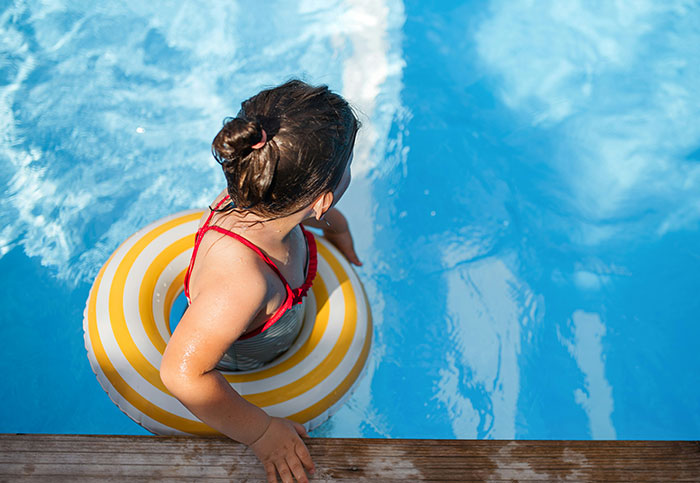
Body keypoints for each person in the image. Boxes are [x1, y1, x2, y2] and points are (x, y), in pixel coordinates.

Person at [160, 79, 362, 483]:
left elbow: (314, 219)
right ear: (321, 198)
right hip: (245, 367)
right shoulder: (242, 283)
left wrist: (337, 230)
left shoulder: (258, 190)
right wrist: (263, 431)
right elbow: (181, 374)